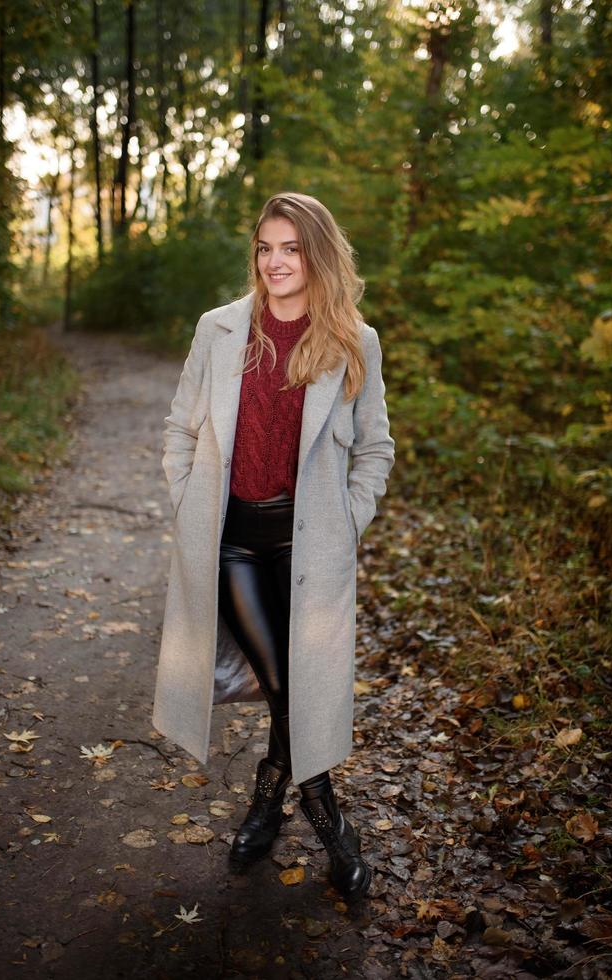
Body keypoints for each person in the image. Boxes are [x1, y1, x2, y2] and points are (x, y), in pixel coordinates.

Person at [153, 191, 395, 904]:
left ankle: (266, 799)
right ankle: (330, 824)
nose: (275, 261)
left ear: (316, 253)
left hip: (309, 542)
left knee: (297, 686)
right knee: (289, 685)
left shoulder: (354, 340)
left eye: (290, 248)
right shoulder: (220, 329)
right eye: (265, 247)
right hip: (232, 543)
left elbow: (375, 447)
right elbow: (179, 430)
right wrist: (186, 508)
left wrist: (349, 522)